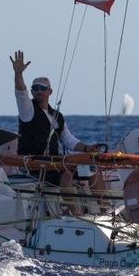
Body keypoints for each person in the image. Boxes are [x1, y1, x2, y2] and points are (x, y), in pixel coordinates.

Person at [10, 50, 101, 189]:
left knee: (92, 171)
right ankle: (75, 211)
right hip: (34, 165)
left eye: (42, 88)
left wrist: (87, 148)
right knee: (67, 175)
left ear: (50, 91)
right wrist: (18, 73)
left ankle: (104, 208)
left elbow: (68, 140)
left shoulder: (57, 116)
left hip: (54, 163)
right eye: (35, 88)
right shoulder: (28, 110)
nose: (38, 91)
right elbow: (21, 93)